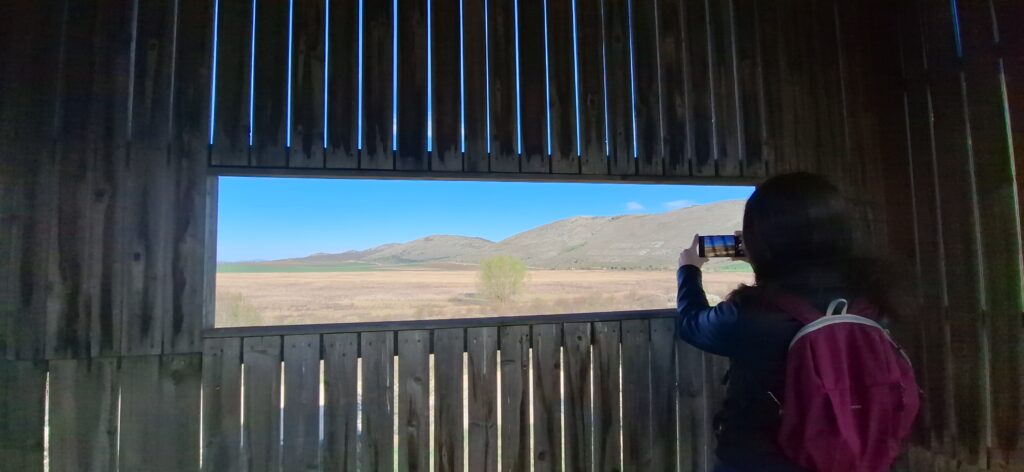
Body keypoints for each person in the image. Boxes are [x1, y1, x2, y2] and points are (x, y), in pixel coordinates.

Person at [676, 172, 899, 472]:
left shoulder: (752, 311)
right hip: (858, 454)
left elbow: (692, 325)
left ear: (760, 237)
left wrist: (689, 270)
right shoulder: (877, 296)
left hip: (763, 459)